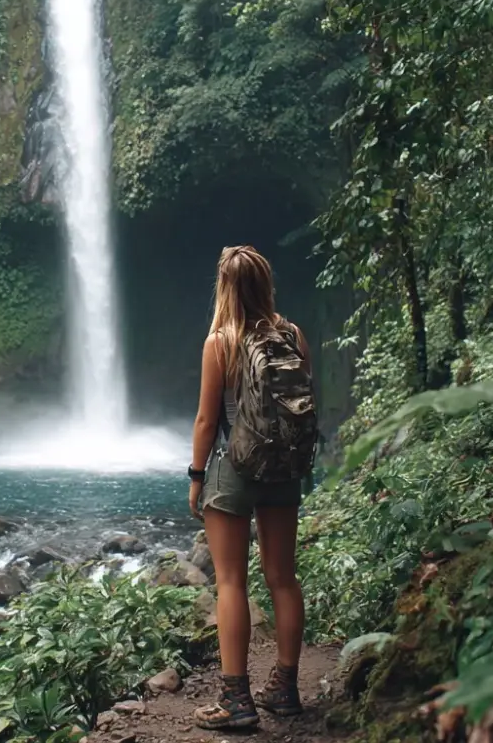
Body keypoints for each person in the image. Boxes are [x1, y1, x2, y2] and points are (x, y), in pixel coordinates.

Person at [187, 245, 309, 730]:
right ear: (265, 283)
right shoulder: (293, 335)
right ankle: (286, 687)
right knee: (282, 577)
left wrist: (197, 477)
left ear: (225, 287)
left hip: (235, 469)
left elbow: (205, 419)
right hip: (283, 468)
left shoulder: (220, 342)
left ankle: (236, 699)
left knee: (231, 581)